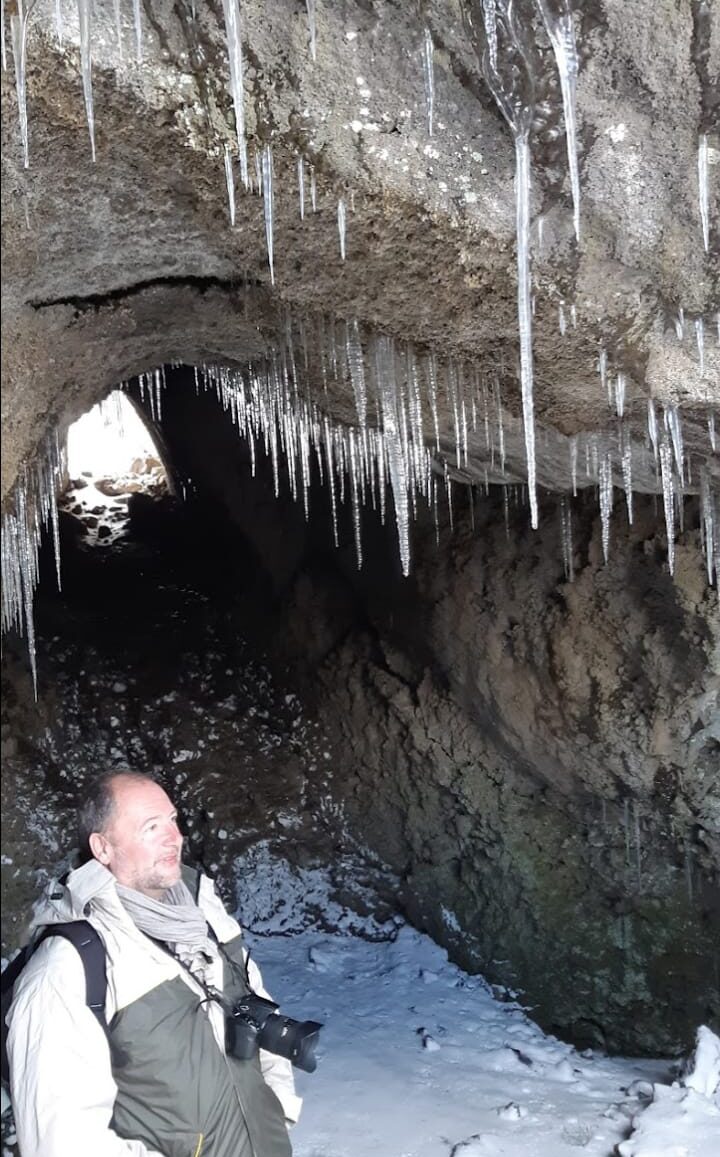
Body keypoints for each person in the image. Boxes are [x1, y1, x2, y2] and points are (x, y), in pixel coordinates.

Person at [6, 770, 301, 1157]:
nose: (174, 837)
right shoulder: (68, 968)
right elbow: (62, 1144)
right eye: (151, 827)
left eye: (173, 820)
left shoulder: (205, 920)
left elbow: (260, 1012)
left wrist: (276, 1112)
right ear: (103, 848)